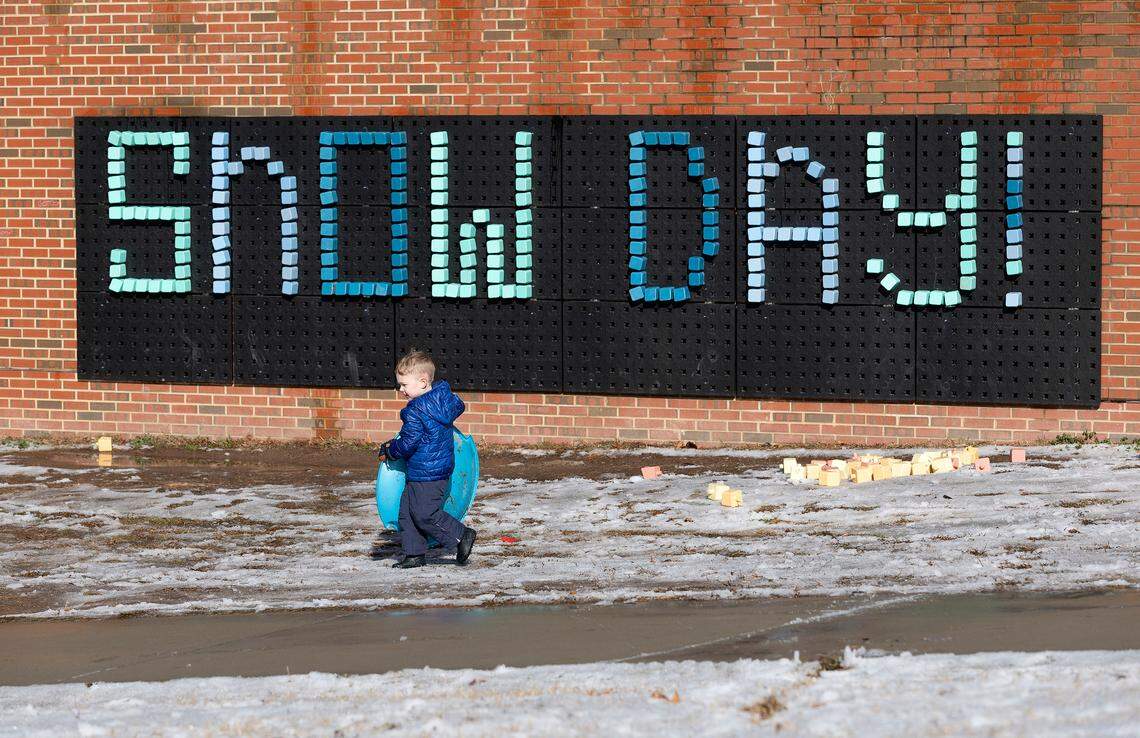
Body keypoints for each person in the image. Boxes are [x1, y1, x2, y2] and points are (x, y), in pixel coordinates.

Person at [379, 349, 477, 569]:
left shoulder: (415, 411)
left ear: (423, 382)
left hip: (426, 472)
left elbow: (408, 442)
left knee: (424, 514)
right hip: (436, 468)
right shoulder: (441, 403)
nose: (400, 390)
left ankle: (462, 535)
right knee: (407, 512)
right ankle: (414, 554)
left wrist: (391, 450)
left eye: (404, 385)